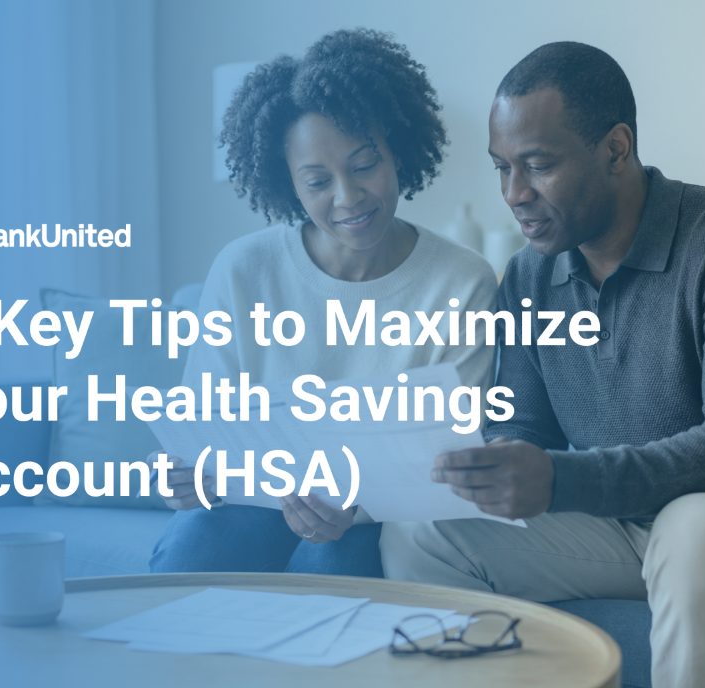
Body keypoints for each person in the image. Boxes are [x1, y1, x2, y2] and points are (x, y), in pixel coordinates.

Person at [380, 42, 705, 688]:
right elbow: (527, 430)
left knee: (695, 531)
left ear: (615, 148)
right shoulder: (528, 277)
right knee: (423, 534)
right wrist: (493, 468)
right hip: (633, 535)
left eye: (538, 165)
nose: (514, 194)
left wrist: (559, 478)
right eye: (501, 169)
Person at [149, 29, 498, 577]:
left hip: (378, 516)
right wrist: (182, 477)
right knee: (192, 549)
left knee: (332, 561)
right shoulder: (243, 269)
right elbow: (204, 429)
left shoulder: (462, 282)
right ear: (288, 185)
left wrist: (354, 506)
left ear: (398, 152)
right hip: (256, 503)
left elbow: (447, 463)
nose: (348, 197)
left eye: (364, 167)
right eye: (317, 181)